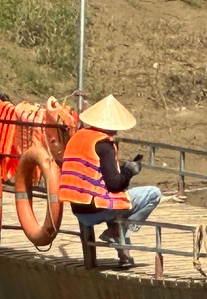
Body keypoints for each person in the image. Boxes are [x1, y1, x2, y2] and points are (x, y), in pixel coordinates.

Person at [57, 95, 162, 268]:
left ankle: (123, 251)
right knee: (153, 194)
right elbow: (114, 184)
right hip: (98, 210)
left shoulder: (78, 137)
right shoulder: (104, 145)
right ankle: (117, 231)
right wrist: (129, 171)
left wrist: (120, 167)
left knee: (116, 204)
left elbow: (92, 170)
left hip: (78, 209)